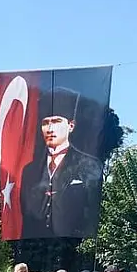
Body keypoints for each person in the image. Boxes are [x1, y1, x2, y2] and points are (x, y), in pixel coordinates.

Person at [19, 87, 104, 239]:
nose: (50, 129)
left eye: (57, 121)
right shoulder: (29, 170)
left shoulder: (89, 165)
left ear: (71, 126)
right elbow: (26, 214)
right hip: (36, 243)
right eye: (46, 123)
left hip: (74, 243)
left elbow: (91, 210)